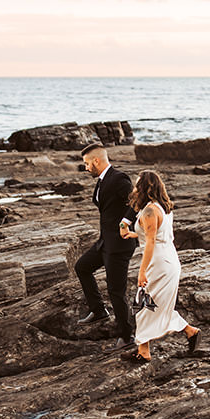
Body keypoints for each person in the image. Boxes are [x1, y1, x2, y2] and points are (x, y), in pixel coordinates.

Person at [119, 169, 199, 364]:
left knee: (145, 304)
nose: (135, 188)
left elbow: (152, 242)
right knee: (156, 304)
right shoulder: (161, 207)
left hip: (159, 262)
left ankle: (144, 351)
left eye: (138, 184)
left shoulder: (148, 211)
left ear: (146, 187)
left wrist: (142, 271)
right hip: (168, 258)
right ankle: (190, 331)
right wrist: (134, 235)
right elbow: (156, 234)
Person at [74, 142, 135, 344]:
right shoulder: (102, 180)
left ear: (96, 161)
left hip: (119, 245)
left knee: (116, 291)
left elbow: (136, 202)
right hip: (105, 242)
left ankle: (126, 336)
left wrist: (126, 223)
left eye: (87, 163)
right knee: (82, 267)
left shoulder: (119, 179)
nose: (86, 167)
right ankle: (99, 310)